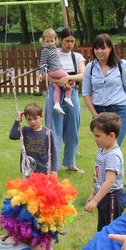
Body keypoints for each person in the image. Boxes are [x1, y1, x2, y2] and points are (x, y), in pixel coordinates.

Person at [81, 33, 126, 147]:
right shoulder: (90, 67)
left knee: (114, 146)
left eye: (103, 48)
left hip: (118, 111)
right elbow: (86, 93)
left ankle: (113, 165)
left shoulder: (121, 66)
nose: (99, 51)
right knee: (102, 146)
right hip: (99, 112)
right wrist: (95, 115)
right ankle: (102, 166)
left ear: (110, 48)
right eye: (96, 48)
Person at [42, 27, 85, 173]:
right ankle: (54, 166)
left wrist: (68, 79)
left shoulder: (77, 57)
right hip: (54, 92)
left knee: (73, 129)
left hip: (71, 94)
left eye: (72, 41)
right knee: (53, 130)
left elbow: (82, 75)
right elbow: (44, 74)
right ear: (60, 40)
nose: (70, 44)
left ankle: (70, 163)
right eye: (67, 41)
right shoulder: (52, 52)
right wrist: (59, 81)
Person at [85, 113, 125, 231]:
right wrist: (93, 194)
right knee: (102, 229)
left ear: (111, 135)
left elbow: (109, 182)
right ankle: (101, 247)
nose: (95, 139)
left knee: (111, 230)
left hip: (112, 198)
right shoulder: (102, 150)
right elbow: (99, 177)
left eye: (98, 136)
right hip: (103, 195)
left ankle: (112, 249)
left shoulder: (113, 156)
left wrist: (95, 201)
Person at [9, 103, 58, 176]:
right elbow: (12, 135)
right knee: (29, 187)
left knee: (41, 187)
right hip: (28, 168)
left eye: (35, 118)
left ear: (41, 116)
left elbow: (53, 151)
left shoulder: (48, 133)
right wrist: (17, 121)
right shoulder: (25, 131)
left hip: (43, 169)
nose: (32, 122)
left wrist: (54, 169)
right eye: (29, 119)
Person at [38, 28, 74, 116]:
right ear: (43, 41)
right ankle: (68, 97)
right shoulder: (45, 51)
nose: (50, 43)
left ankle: (57, 104)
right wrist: (40, 73)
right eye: (47, 41)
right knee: (71, 80)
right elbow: (42, 63)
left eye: (51, 41)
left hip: (56, 70)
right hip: (55, 70)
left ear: (56, 40)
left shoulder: (55, 49)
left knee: (57, 88)